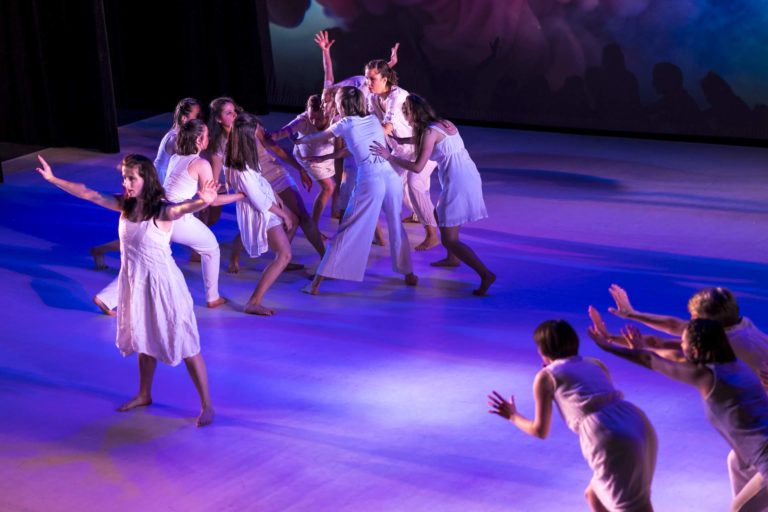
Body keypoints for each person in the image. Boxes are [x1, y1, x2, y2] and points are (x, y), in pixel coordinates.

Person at [35, 154, 217, 427]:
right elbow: (89, 194)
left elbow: (184, 208)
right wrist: (52, 179)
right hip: (137, 283)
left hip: (164, 286)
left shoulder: (162, 211)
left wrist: (204, 200)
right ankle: (144, 394)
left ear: (147, 179)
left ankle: (207, 405)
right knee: (143, 339)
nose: (126, 183)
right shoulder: (125, 206)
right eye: (124, 177)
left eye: (132, 178)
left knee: (187, 343)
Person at [589, 309, 768, 511]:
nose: (681, 346)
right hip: (756, 452)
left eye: (684, 343)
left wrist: (607, 347)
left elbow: (653, 361)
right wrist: (629, 345)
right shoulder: (733, 363)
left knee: (739, 509)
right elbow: (669, 355)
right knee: (736, 462)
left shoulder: (708, 376)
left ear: (695, 349)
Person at [488, 319, 657, 511]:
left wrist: (512, 415)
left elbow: (540, 430)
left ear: (543, 350)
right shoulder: (595, 364)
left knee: (631, 507)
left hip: (608, 434)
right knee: (594, 495)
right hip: (636, 421)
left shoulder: (545, 377)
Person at [93, 120, 244, 312]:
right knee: (212, 248)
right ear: (199, 139)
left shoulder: (176, 157)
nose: (209, 138)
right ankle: (212, 297)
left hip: (159, 211)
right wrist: (241, 195)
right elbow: (211, 201)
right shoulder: (201, 163)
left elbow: (201, 191)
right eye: (206, 135)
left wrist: (219, 190)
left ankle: (106, 298)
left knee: (144, 261)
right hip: (177, 217)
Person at [295, 86, 418, 295]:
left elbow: (318, 138)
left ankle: (315, 284)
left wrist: (298, 139)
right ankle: (408, 274)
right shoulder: (371, 120)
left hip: (371, 180)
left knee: (348, 229)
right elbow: (352, 147)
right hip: (390, 178)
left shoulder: (344, 123)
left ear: (342, 105)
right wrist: (326, 158)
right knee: (396, 226)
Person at [370, 93, 495, 295]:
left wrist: (389, 157)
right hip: (468, 175)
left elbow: (418, 167)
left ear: (413, 114)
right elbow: (425, 137)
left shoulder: (428, 133)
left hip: (458, 182)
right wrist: (400, 139)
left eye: (405, 113)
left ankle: (485, 274)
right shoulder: (443, 124)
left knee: (449, 239)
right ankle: (453, 258)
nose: (405, 117)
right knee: (440, 215)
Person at [226, 114, 325, 273]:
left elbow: (277, 148)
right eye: (227, 113)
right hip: (258, 181)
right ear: (218, 119)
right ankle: (241, 258)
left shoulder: (253, 127)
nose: (231, 116)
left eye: (232, 111)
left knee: (299, 217)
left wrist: (300, 169)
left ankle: (292, 258)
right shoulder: (229, 138)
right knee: (259, 223)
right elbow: (229, 166)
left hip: (277, 176)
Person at [225, 112, 297, 315]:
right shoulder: (240, 167)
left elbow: (262, 180)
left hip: (267, 207)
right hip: (262, 214)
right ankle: (253, 301)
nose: (259, 137)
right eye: (256, 134)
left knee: (283, 254)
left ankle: (254, 298)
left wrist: (279, 198)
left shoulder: (245, 157)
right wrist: (284, 214)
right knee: (284, 255)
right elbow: (259, 201)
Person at [269, 95, 336, 231]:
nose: (314, 121)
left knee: (341, 180)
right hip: (309, 159)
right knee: (328, 187)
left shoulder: (335, 118)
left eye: (318, 118)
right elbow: (283, 132)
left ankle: (336, 211)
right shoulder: (302, 120)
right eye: (311, 116)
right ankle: (313, 226)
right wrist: (268, 136)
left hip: (327, 156)